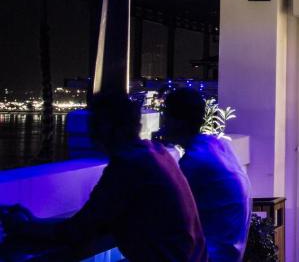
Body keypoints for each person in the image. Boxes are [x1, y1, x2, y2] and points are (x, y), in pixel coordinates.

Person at [0, 91, 208, 261]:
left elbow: (78, 231)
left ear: (107, 128)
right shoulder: (157, 154)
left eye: (94, 124)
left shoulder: (128, 166)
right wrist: (35, 224)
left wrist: (24, 227)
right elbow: (92, 223)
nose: (91, 133)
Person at [159, 88, 251, 262]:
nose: (163, 124)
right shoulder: (218, 146)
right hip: (230, 252)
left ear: (179, 122)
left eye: (166, 117)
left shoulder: (194, 161)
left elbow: (167, 211)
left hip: (213, 255)